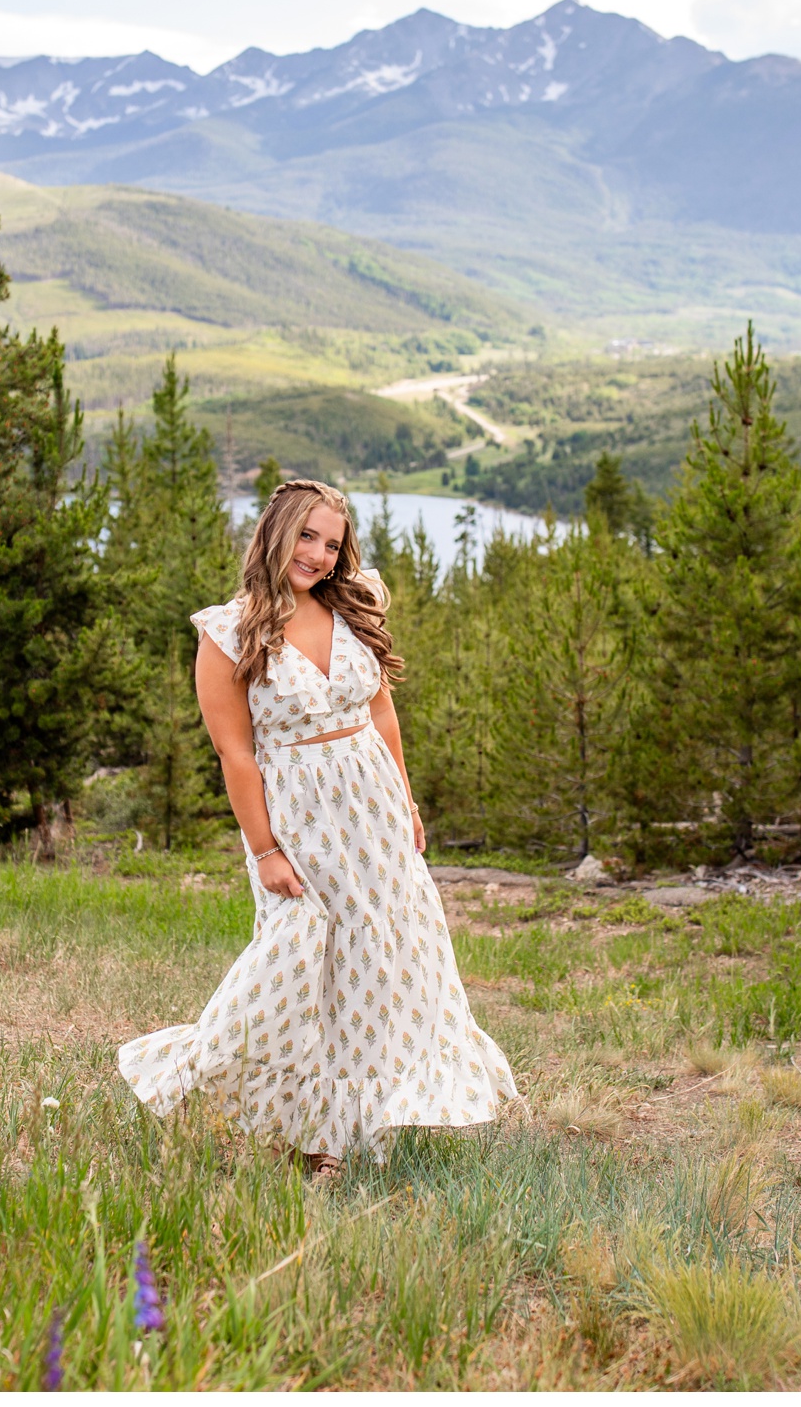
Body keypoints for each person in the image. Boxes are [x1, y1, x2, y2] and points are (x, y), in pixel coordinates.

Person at [117, 478, 520, 1177]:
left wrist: (408, 801)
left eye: (333, 544)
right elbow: (235, 753)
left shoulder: (349, 612)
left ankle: (340, 1138)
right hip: (299, 819)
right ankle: (210, 1079)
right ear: (275, 533)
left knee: (378, 964)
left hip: (374, 813)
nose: (321, 555)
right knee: (303, 964)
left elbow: (382, 714)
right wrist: (265, 848)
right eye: (308, 536)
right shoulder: (229, 631)